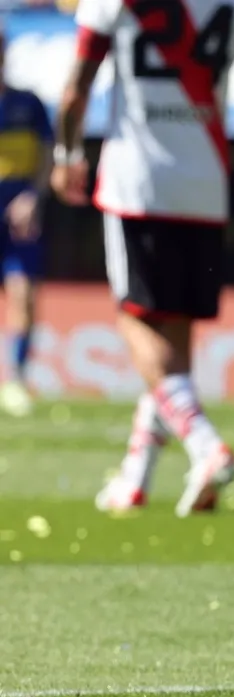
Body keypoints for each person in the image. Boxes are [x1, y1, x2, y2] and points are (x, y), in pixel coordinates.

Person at [50, 0, 234, 514]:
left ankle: (204, 445)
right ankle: (137, 476)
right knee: (174, 338)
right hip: (204, 185)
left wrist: (66, 155)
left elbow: (75, 89)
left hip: (136, 183)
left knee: (134, 319)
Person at [0, 29, 53, 417]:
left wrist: (34, 195)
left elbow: (49, 155)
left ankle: (16, 380)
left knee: (24, 296)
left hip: (17, 221)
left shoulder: (29, 104)